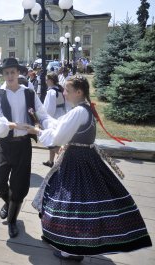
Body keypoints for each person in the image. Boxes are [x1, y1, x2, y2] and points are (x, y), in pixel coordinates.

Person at [28, 75, 152, 261]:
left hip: (77, 162)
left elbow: (58, 137)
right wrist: (43, 119)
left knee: (70, 203)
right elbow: (60, 125)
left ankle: (70, 249)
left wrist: (37, 131)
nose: (64, 93)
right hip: (84, 159)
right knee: (76, 201)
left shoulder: (79, 112)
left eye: (67, 90)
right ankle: (65, 241)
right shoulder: (84, 109)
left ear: (79, 92)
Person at [0, 57, 50, 238]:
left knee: (19, 186)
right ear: (3, 74)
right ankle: (8, 203)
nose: (9, 75)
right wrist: (11, 125)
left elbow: (42, 113)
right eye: (6, 72)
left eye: (12, 72)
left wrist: (48, 127)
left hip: (23, 145)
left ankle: (13, 221)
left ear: (18, 73)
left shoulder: (28, 92)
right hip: (6, 144)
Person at [42, 72, 67, 168]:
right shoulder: (60, 89)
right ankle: (50, 161)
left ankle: (63, 160)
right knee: (53, 141)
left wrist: (45, 120)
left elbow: (49, 109)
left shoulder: (51, 92)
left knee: (52, 142)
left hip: (54, 117)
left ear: (51, 80)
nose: (45, 81)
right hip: (61, 115)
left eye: (47, 79)